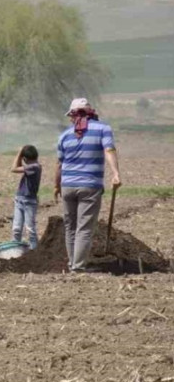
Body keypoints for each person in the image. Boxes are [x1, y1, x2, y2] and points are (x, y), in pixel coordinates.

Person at [54, 98, 121, 272]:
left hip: (67, 185)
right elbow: (109, 150)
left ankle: (72, 264)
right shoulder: (103, 129)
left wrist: (56, 186)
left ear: (73, 115)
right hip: (90, 185)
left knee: (70, 227)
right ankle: (77, 267)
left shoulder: (64, 135)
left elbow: (59, 164)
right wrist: (116, 173)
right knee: (84, 228)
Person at [10, 145, 42, 250]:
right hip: (20, 199)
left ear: (25, 159)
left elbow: (14, 168)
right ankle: (15, 250)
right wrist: (21, 156)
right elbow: (19, 166)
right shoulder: (32, 166)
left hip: (29, 201)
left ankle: (34, 252)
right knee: (16, 229)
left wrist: (19, 152)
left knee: (30, 229)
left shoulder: (35, 167)